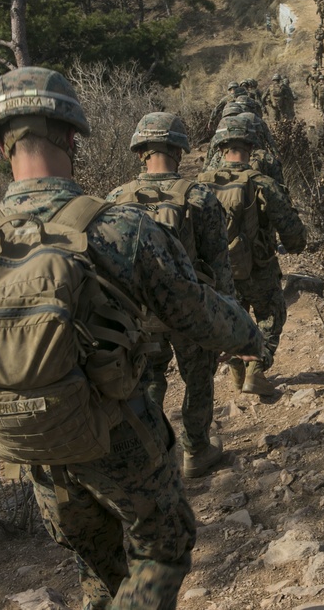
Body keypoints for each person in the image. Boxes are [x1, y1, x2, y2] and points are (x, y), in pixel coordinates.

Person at [0, 67, 265, 610]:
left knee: (97, 560)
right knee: (162, 550)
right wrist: (250, 337)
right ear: (71, 136)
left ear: (3, 146)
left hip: (32, 449)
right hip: (118, 435)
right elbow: (198, 313)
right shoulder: (119, 227)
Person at [106, 112, 235, 479]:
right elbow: (220, 265)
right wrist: (227, 319)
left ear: (141, 152)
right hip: (190, 313)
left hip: (139, 315)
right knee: (198, 378)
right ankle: (196, 449)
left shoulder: (115, 199)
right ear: (179, 149)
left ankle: (152, 454)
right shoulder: (199, 196)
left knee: (148, 381)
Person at [198, 116, 306, 396]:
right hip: (259, 268)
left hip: (218, 275)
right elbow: (294, 235)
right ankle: (255, 371)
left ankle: (236, 370)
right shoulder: (262, 183)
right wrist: (294, 245)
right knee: (271, 317)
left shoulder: (199, 186)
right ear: (249, 147)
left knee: (234, 321)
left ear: (221, 149)